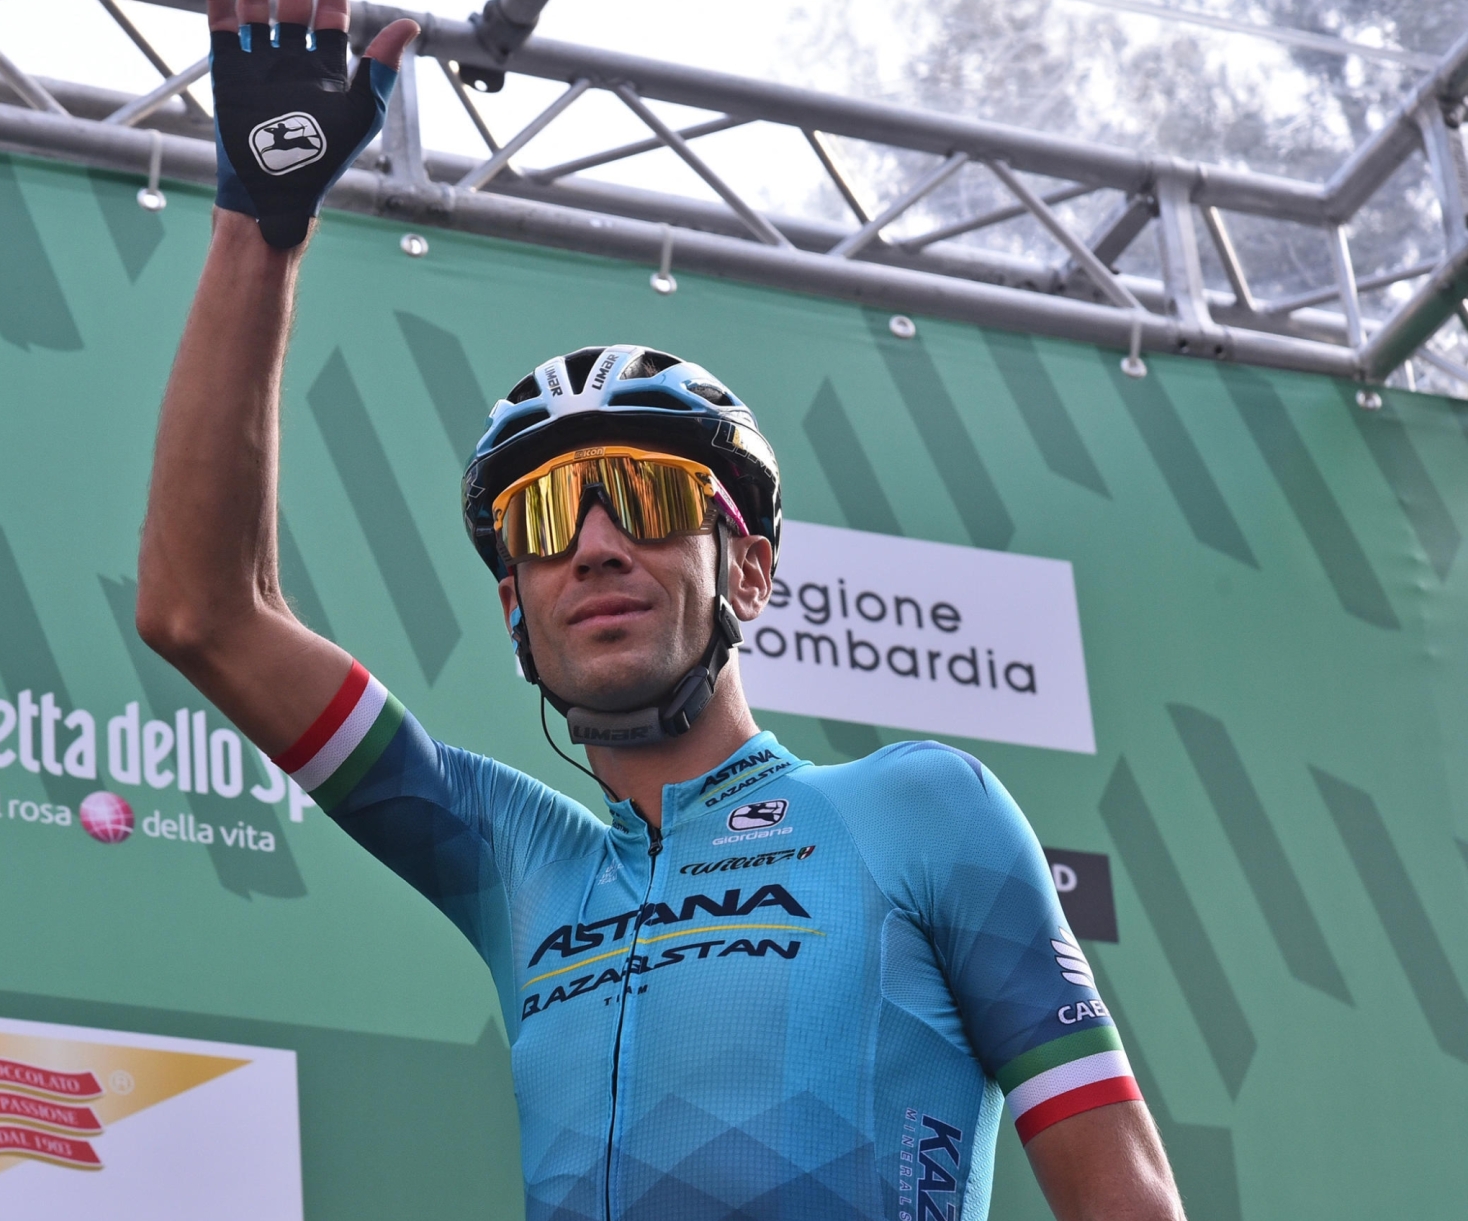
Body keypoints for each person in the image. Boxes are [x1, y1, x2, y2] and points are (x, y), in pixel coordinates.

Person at [139, 2, 1186, 1217]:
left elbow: (1125, 1188)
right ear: (514, 609)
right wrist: (260, 227)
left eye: (641, 496)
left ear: (747, 570)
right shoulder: (512, 863)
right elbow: (201, 611)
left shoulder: (921, 811)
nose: (591, 544)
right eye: (544, 520)